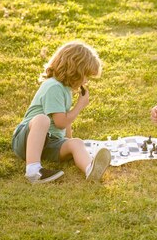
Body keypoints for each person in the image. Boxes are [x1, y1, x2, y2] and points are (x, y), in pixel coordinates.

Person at [12, 41, 111, 184]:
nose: (86, 81)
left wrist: (69, 144)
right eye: (86, 76)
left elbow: (65, 122)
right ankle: (33, 170)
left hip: (49, 144)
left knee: (76, 142)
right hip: (26, 142)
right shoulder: (53, 87)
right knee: (42, 119)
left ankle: (90, 169)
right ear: (75, 70)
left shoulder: (65, 90)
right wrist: (79, 106)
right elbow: (60, 122)